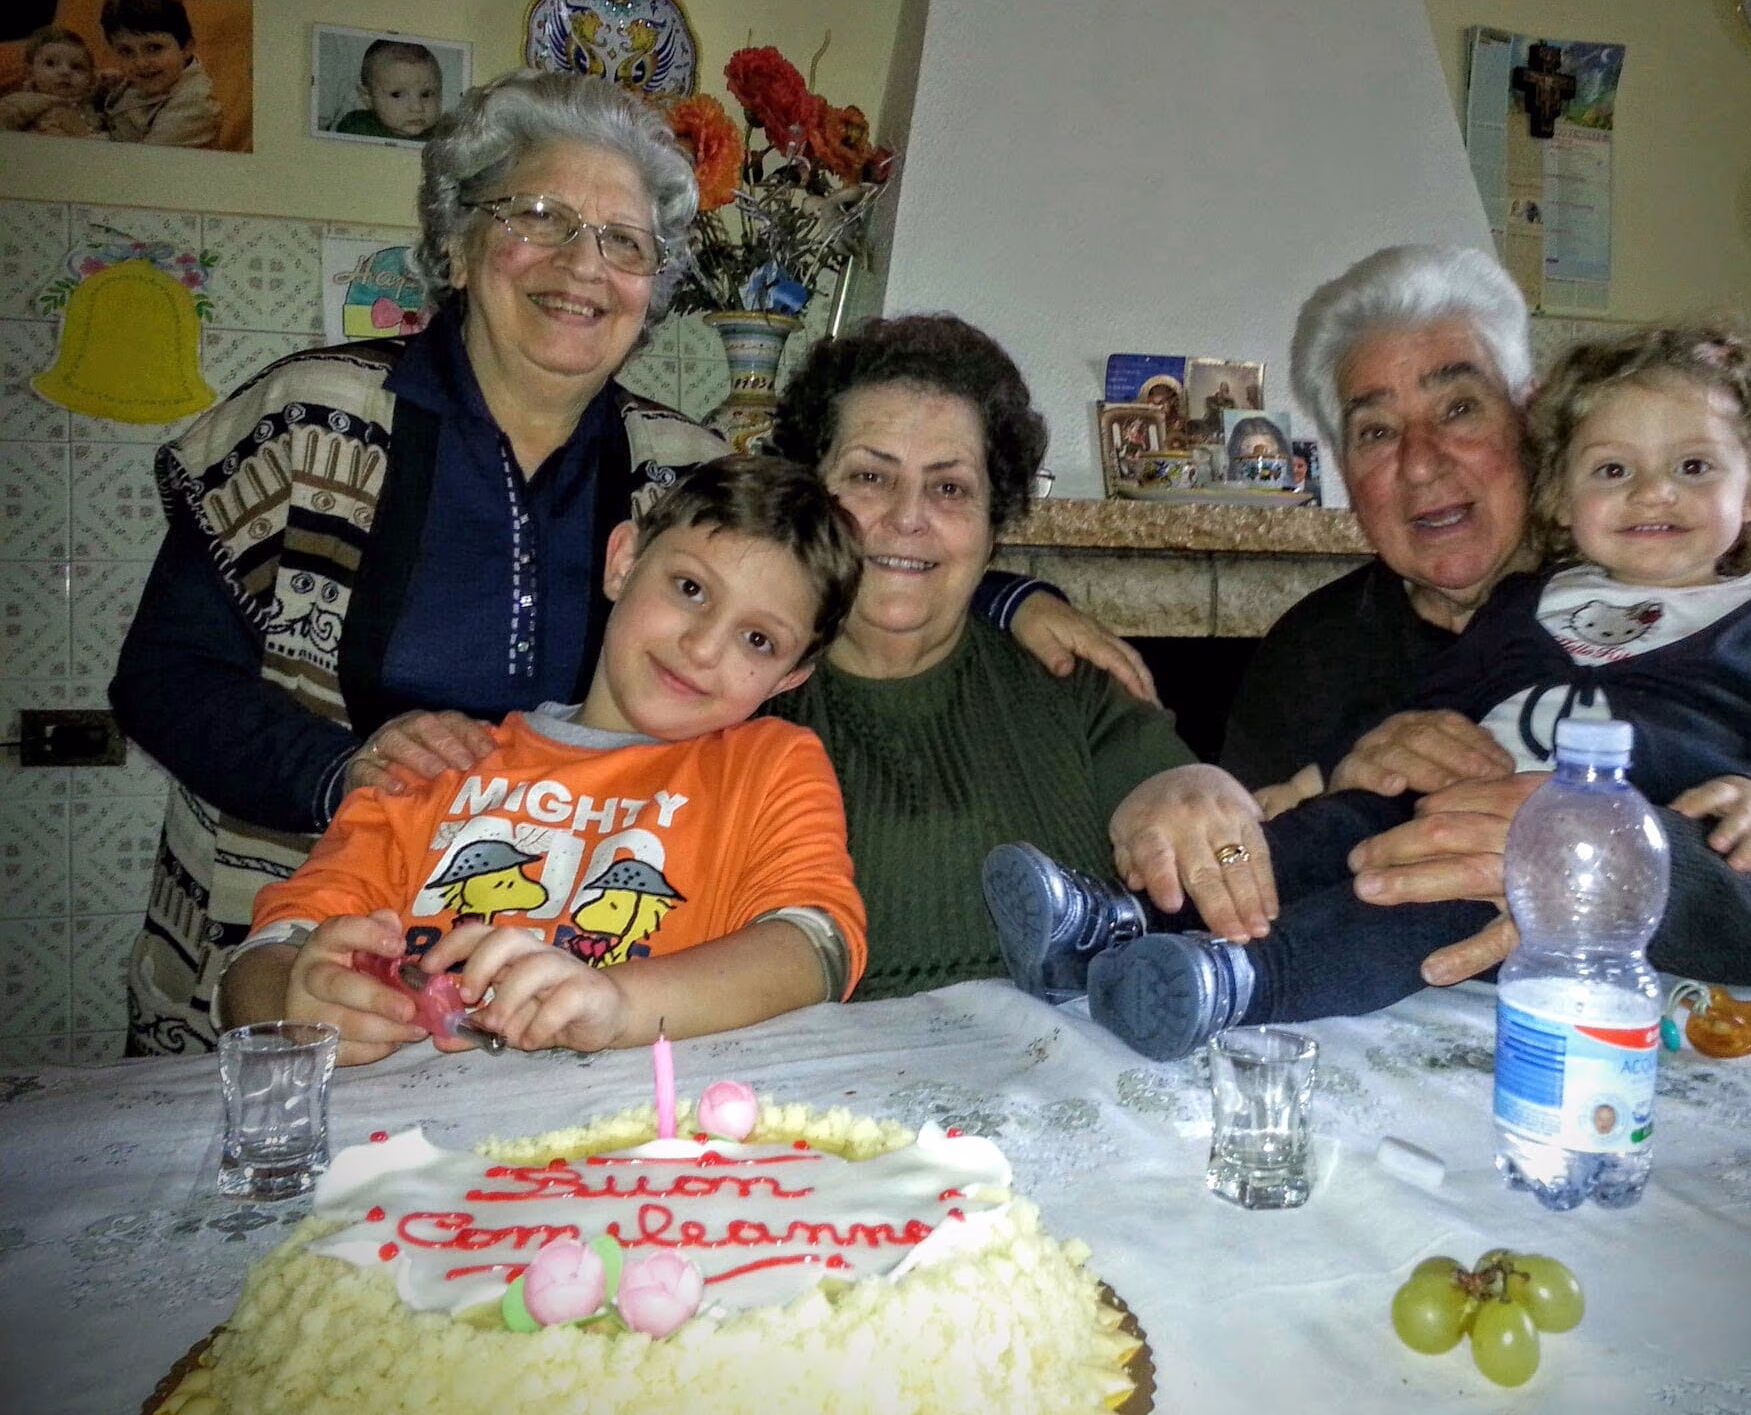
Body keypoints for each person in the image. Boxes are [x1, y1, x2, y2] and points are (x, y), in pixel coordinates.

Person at [112, 69, 1146, 1054]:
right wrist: (347, 775)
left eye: (623, 242)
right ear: (460, 241)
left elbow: (835, 557)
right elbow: (163, 676)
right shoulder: (311, 419)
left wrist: (1008, 597)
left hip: (594, 981)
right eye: (540, 217)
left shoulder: (681, 467)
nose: (583, 266)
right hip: (323, 947)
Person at [988, 318, 1751, 1057]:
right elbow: (1423, 715)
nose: (1653, 493)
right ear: (1564, 492)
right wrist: (1320, 777)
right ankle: (1114, 923)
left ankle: (1241, 984)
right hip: (1451, 810)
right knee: (1338, 826)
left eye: (1693, 467)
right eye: (1614, 470)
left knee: (1424, 892)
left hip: (1563, 878)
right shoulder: (1531, 606)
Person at [216, 455, 867, 1066]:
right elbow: (267, 956)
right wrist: (293, 1008)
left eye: (758, 639)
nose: (702, 647)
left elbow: (814, 949)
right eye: (690, 588)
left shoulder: (770, 765)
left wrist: (618, 1005)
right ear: (624, 560)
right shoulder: (434, 763)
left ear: (790, 676)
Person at [764, 315, 1197, 999]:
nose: (908, 516)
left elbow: (1186, 809)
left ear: (995, 523)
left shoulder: (1075, 684)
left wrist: (1208, 798)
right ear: (806, 495)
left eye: (950, 488)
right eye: (870, 476)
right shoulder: (732, 698)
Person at [99, 0, 221, 148]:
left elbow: (142, 160)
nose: (141, 63)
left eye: (154, 48)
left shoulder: (194, 106)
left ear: (186, 47)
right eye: (126, 51)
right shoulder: (150, 77)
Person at [0, 26, 108, 138]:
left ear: (90, 79)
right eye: (50, 63)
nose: (65, 72)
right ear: (29, 72)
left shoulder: (94, 108)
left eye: (76, 67)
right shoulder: (21, 102)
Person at [332, 37, 444, 141]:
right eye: (397, 94)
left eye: (426, 94)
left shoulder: (441, 137)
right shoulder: (356, 126)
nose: (417, 107)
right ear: (368, 97)